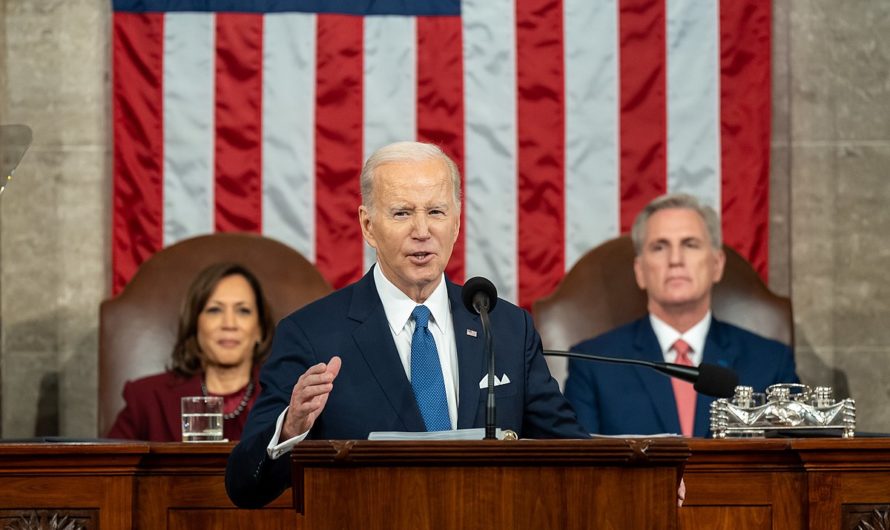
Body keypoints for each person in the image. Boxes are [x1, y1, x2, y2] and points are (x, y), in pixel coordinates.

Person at [225, 141, 588, 508]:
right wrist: (291, 428)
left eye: (436, 211)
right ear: (368, 226)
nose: (422, 230)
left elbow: (576, 457)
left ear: (457, 221)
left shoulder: (506, 327)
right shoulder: (312, 335)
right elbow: (245, 487)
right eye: (402, 213)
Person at [564, 193, 799, 437]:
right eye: (659, 247)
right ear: (640, 271)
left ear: (717, 265)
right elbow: (581, 468)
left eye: (690, 244)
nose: (675, 260)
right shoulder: (592, 363)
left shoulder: (771, 362)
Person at [106, 262, 274, 442]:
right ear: (195, 324)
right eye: (214, 310)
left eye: (243, 311)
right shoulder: (147, 399)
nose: (229, 324)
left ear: (259, 329)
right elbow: (108, 466)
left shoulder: (284, 399)